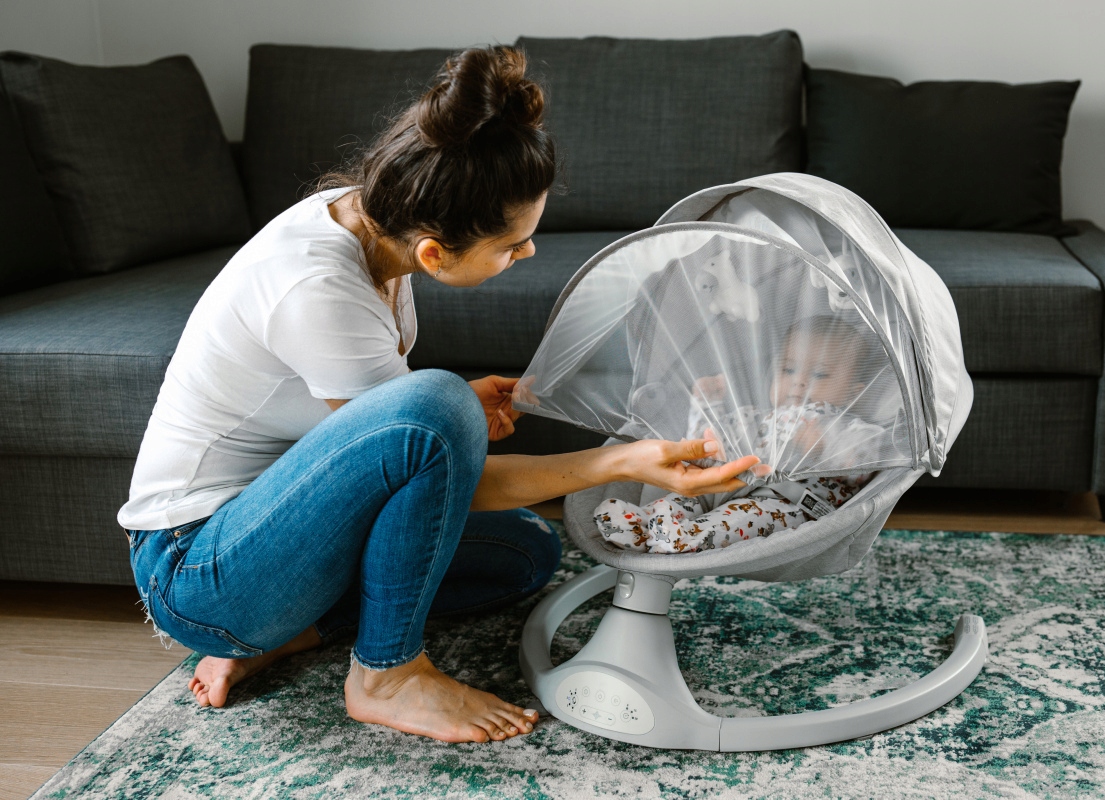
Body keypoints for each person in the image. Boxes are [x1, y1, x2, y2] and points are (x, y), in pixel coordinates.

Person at [118, 46, 761, 745]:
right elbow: (434, 447)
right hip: (199, 569)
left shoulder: (370, 226)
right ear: (434, 251)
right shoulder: (316, 287)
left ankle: (289, 631)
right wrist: (617, 461)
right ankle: (385, 674)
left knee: (525, 554)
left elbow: (375, 439)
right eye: (513, 246)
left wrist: (441, 418)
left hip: (279, 530)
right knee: (434, 406)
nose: (527, 255)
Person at [595, 315, 884, 553]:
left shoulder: (845, 424)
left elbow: (867, 463)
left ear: (852, 392)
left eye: (819, 375)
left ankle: (683, 539)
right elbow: (704, 444)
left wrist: (824, 447)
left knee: (739, 518)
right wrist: (708, 404)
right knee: (686, 498)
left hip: (788, 503)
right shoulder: (756, 417)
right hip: (729, 487)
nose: (799, 383)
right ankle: (642, 525)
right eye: (788, 370)